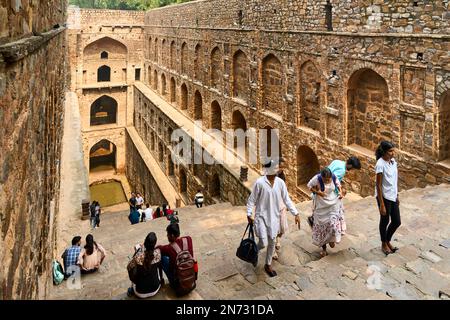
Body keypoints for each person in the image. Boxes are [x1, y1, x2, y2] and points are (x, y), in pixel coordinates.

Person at [247, 159, 300, 277]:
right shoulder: (260, 183)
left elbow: (286, 199)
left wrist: (295, 213)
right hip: (261, 217)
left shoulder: (280, 183)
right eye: (275, 167)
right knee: (263, 242)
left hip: (274, 218)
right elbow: (252, 200)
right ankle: (254, 250)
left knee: (272, 241)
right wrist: (249, 213)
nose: (278, 169)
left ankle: (268, 264)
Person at [308, 156, 362, 234]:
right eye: (353, 169)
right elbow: (333, 181)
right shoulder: (342, 170)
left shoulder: (337, 161)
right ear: (350, 165)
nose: (352, 171)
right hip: (326, 190)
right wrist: (339, 193)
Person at [307, 167, 343, 257]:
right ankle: (324, 249)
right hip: (321, 205)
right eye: (325, 179)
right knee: (322, 227)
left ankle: (332, 239)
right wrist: (318, 193)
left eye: (329, 179)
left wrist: (340, 193)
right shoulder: (317, 178)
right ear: (321, 177)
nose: (327, 181)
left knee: (332, 223)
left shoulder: (334, 177)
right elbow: (309, 186)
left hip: (332, 203)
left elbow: (338, 185)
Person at [375, 141, 401, 256]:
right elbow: (379, 185)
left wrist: (397, 195)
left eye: (393, 150)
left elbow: (394, 180)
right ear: (384, 152)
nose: (393, 153)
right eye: (390, 151)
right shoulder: (380, 164)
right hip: (384, 197)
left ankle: (388, 240)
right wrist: (382, 204)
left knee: (396, 221)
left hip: (393, 195)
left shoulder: (393, 162)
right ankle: (384, 243)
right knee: (385, 221)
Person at [158, 223, 197, 295]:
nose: (167, 236)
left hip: (178, 286)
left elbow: (159, 249)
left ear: (172, 235)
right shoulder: (188, 239)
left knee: (163, 258)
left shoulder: (169, 248)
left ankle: (161, 281)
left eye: (168, 234)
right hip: (191, 281)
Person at [127, 232, 164, 298]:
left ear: (145, 243)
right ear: (154, 244)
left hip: (140, 292)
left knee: (133, 270)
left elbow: (129, 267)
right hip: (155, 289)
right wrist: (161, 279)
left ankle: (132, 289)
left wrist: (137, 251)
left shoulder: (138, 256)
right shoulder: (158, 253)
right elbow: (160, 267)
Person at [274, 157, 288, 260]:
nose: (281, 169)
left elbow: (284, 192)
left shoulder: (282, 176)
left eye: (283, 167)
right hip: (271, 205)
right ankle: (273, 251)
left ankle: (278, 239)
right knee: (273, 227)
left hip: (280, 204)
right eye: (280, 167)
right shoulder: (270, 176)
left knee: (281, 226)